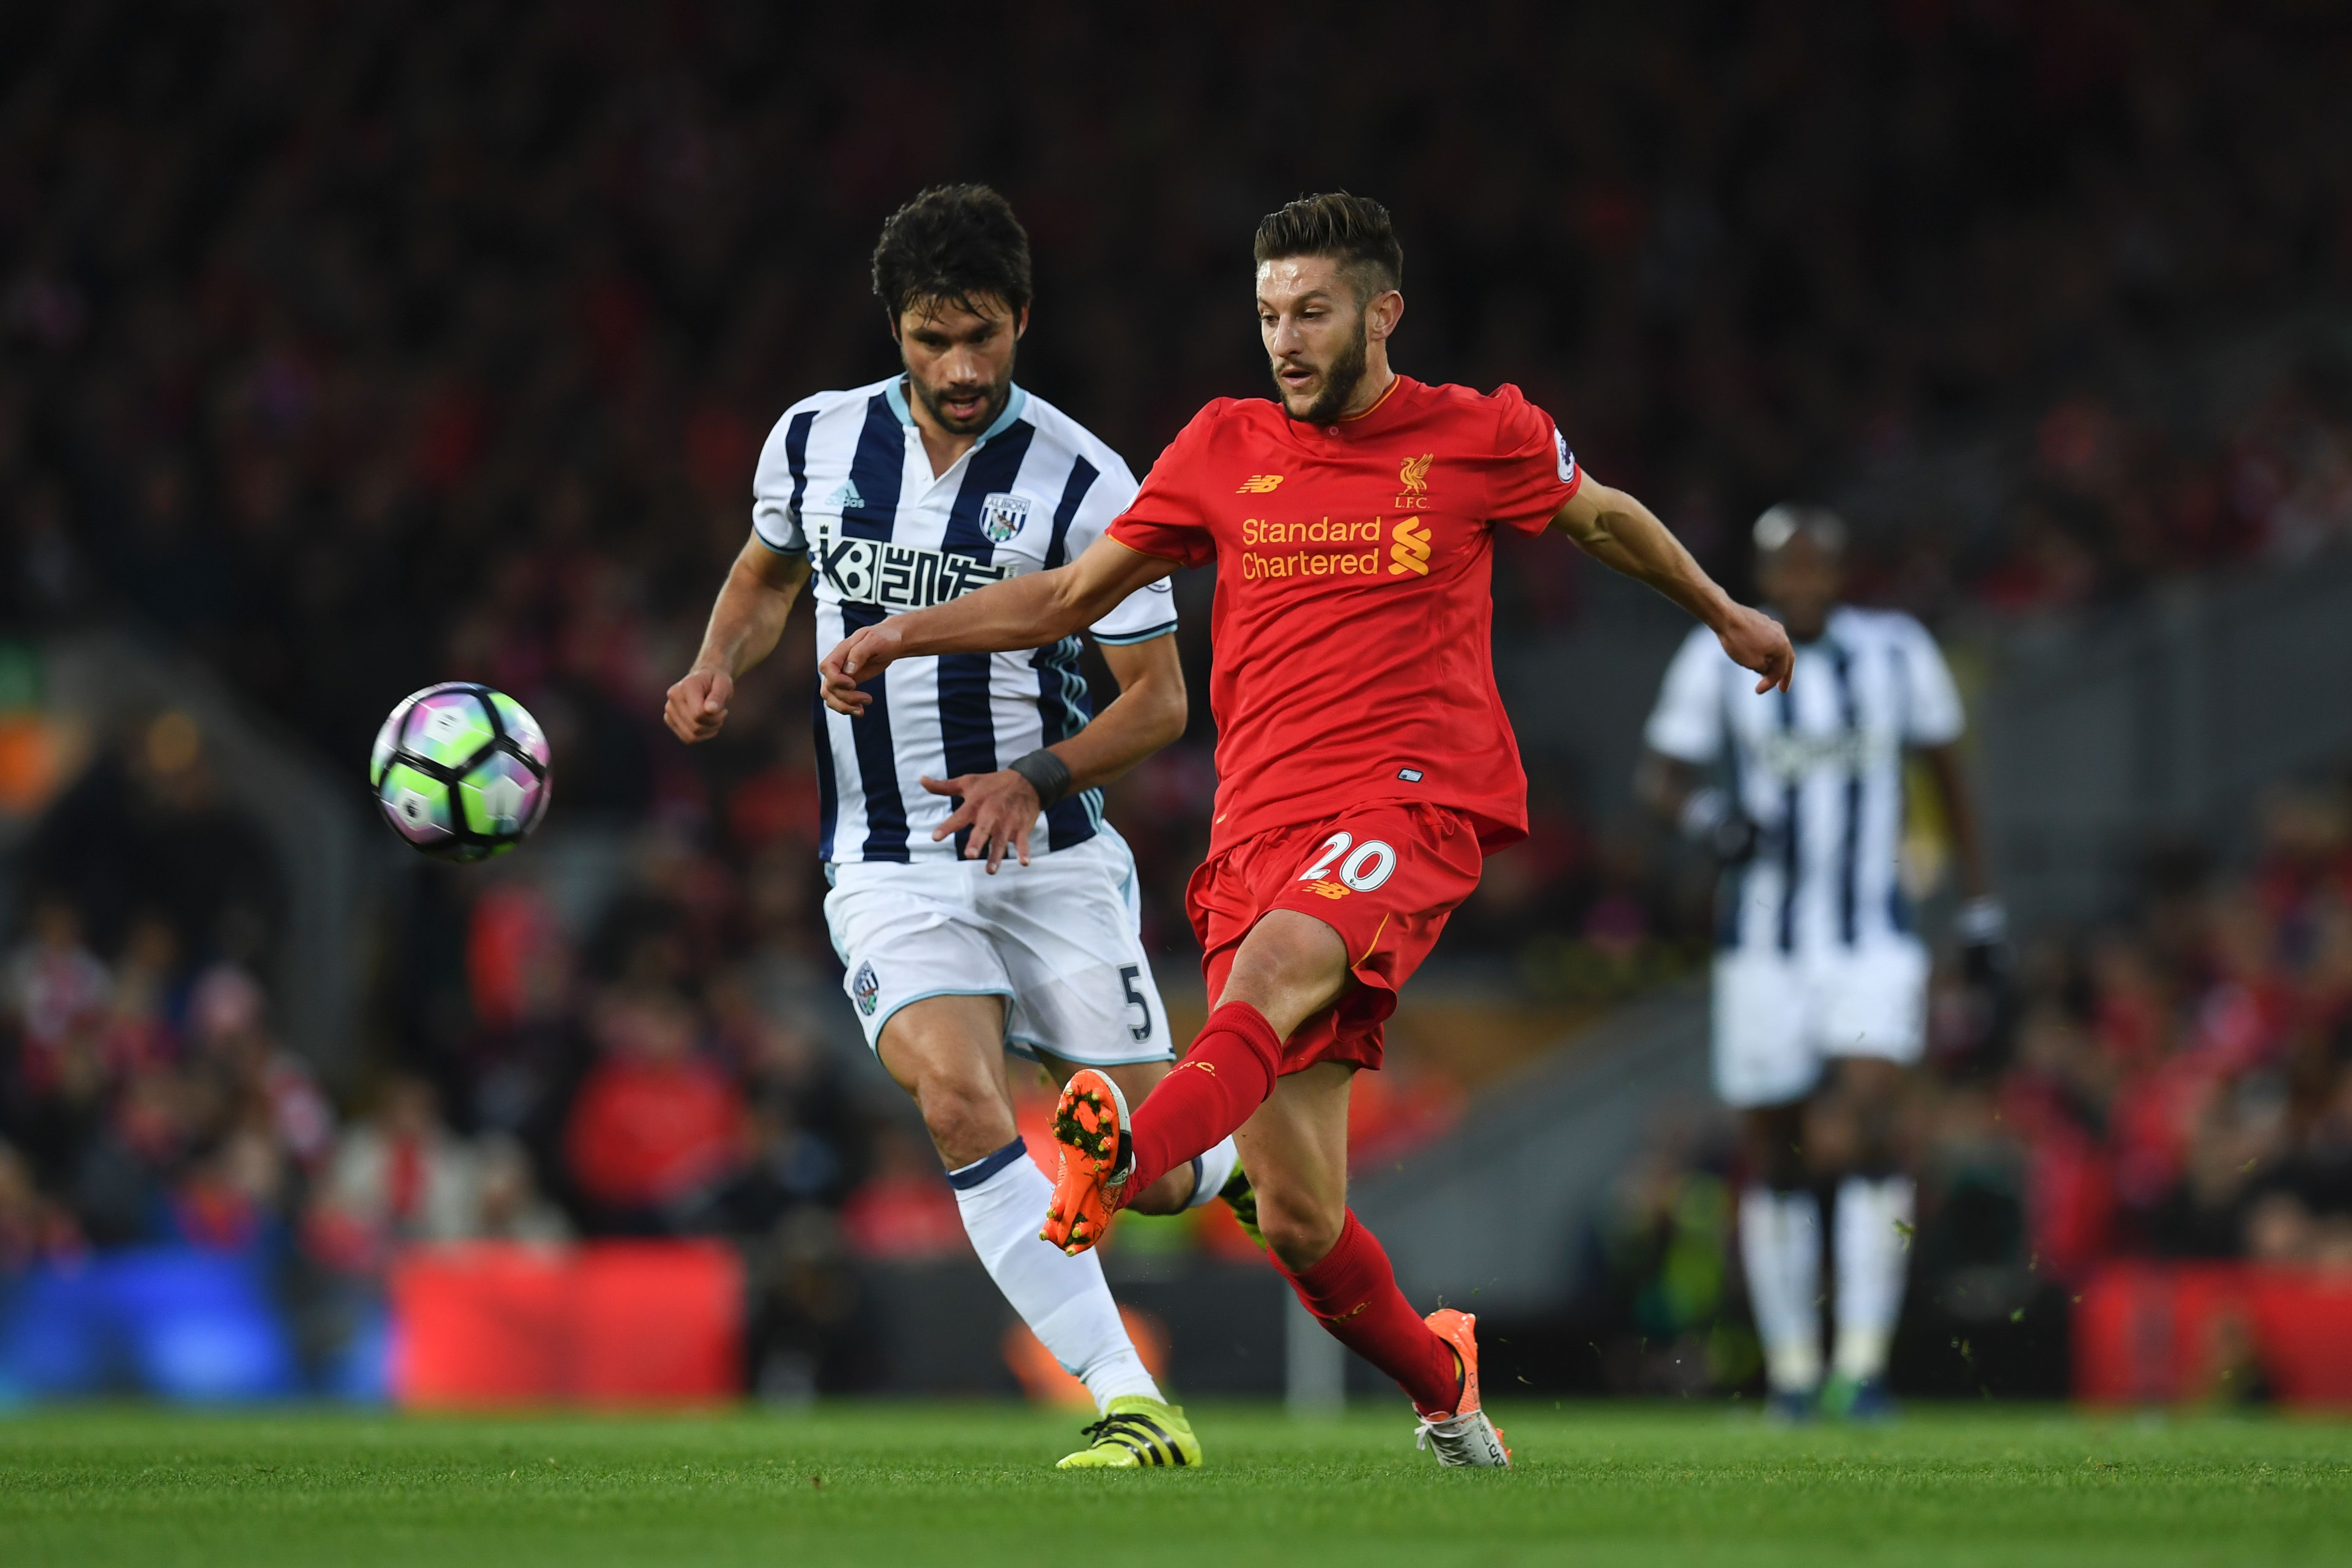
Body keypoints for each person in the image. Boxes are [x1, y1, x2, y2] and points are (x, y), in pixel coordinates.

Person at [820, 192, 1793, 1467]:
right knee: (1297, 1216)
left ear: (1382, 313)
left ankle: (1113, 1163)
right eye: (1270, 313)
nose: (1285, 338)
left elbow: (1601, 514)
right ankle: (1442, 1380)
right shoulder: (1223, 445)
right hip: (1257, 831)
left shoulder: (1478, 434)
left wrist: (1721, 610)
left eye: (1313, 312)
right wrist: (900, 630)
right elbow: (1065, 596)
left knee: (1274, 981)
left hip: (1408, 798)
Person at [665, 184, 1242, 1469]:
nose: (962, 366)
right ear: (896, 329)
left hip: (1053, 856)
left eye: (984, 335)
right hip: (886, 863)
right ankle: (1127, 1399)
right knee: (961, 1103)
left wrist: (1034, 775)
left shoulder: (1092, 481)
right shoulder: (814, 443)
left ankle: (1216, 1167)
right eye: (935, 338)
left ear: (1024, 321)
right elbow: (766, 578)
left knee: (1145, 1171)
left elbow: (1158, 704)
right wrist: (718, 664)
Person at [1635, 504, 2001, 1421]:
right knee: (1779, 1152)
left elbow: (1949, 775)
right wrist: (1708, 821)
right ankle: (1797, 1372)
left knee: (1872, 1118)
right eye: (1784, 569)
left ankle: (1865, 1363)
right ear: (1764, 574)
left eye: (1816, 567)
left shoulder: (1899, 652)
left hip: (1872, 934)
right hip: (1762, 943)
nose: (1801, 583)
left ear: (1842, 572)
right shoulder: (1720, 645)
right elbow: (1660, 777)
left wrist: (1982, 905)